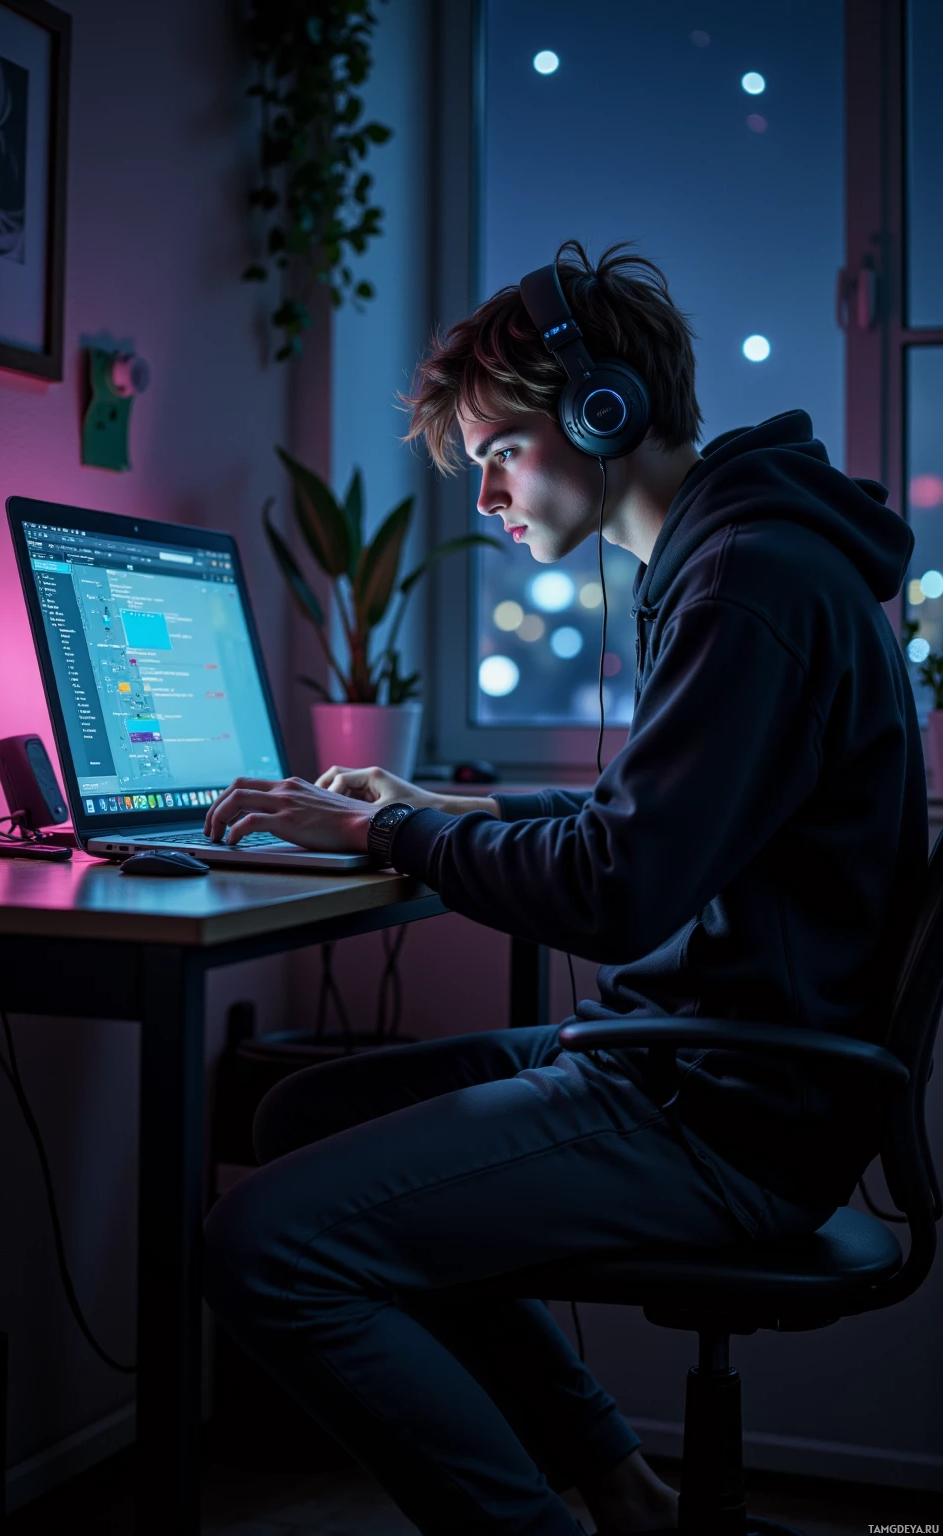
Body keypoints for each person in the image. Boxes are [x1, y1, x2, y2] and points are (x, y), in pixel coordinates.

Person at [202, 241, 927, 1535]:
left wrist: (382, 841)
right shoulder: (745, 557)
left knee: (263, 1249)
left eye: (501, 450)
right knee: (310, 1118)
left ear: (607, 414)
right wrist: (442, 807)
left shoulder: (749, 582)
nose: (484, 494)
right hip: (718, 1066)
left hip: (723, 1112)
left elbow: (617, 887)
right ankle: (621, 1485)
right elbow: (653, 824)